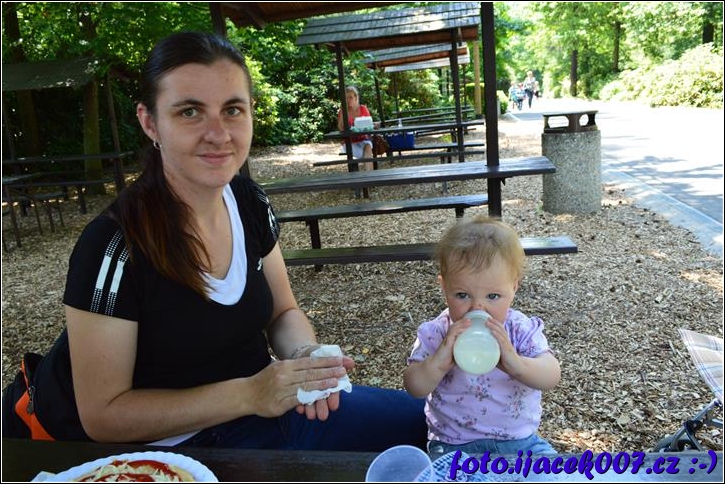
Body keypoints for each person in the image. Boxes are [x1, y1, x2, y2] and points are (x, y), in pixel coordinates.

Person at [1, 31, 426, 451]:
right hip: (157, 452)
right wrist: (249, 394)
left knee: (436, 427)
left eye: (232, 110)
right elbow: (103, 414)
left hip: (261, 412)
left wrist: (304, 356)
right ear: (150, 122)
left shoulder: (249, 201)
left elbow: (283, 311)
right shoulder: (113, 245)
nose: (219, 134)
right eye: (190, 112)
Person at [403, 215, 561, 460]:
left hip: (520, 443)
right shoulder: (438, 332)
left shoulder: (519, 329)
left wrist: (517, 364)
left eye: (493, 296)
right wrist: (438, 363)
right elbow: (414, 386)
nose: (478, 307)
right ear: (444, 287)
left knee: (560, 473)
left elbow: (551, 375)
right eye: (462, 295)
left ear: (514, 287)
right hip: (453, 446)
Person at [337, 86, 374, 171]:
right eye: (346, 98)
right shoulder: (343, 111)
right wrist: (343, 111)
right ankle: (369, 176)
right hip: (349, 142)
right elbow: (341, 128)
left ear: (356, 97)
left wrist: (373, 125)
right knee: (367, 154)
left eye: (350, 97)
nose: (348, 100)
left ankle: (369, 177)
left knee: (368, 146)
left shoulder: (363, 109)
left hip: (363, 139)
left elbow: (369, 124)